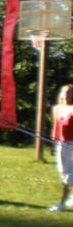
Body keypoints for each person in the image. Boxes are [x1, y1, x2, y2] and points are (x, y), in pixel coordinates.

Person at [49, 84, 73, 212]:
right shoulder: (56, 108)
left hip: (71, 144)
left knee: (68, 174)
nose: (66, 94)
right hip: (60, 144)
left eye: (69, 92)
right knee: (62, 171)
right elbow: (55, 127)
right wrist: (53, 144)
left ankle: (62, 203)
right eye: (64, 92)